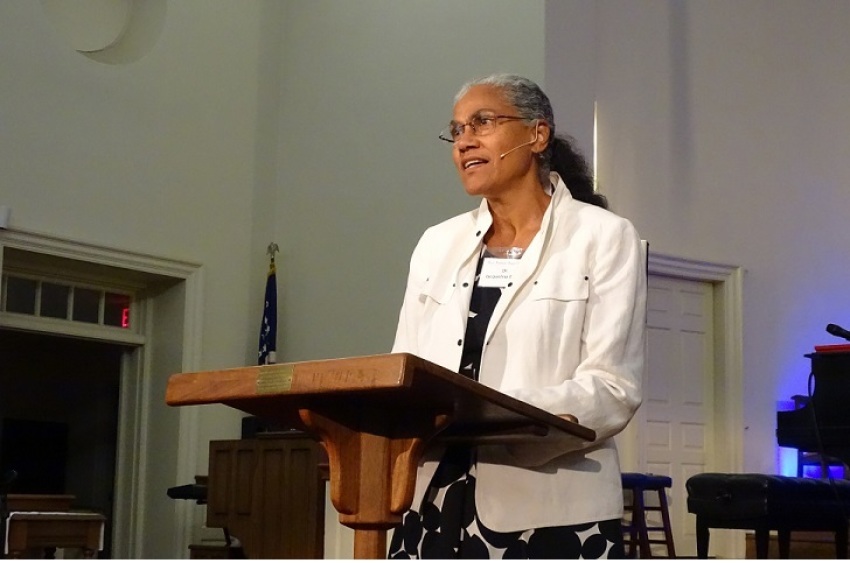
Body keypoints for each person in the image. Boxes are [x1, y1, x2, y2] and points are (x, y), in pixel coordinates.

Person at [387, 74, 646, 559]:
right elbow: (406, 369)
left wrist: (500, 412)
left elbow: (614, 386)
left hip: (550, 504)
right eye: (457, 130)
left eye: (482, 122)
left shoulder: (604, 237)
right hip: (431, 499)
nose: (464, 141)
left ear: (537, 135)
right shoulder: (435, 245)